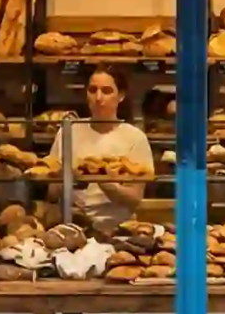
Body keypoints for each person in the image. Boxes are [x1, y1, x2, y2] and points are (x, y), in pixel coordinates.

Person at [46, 66, 154, 237]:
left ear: (121, 96)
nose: (98, 97)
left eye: (106, 91)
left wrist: (106, 184)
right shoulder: (69, 132)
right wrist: (68, 179)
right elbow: (51, 193)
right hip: (70, 227)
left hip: (117, 229)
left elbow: (134, 200)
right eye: (92, 90)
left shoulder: (134, 137)